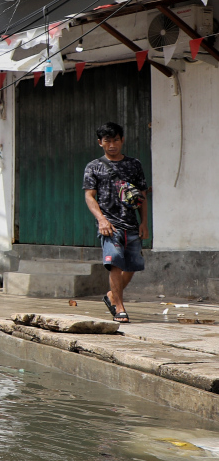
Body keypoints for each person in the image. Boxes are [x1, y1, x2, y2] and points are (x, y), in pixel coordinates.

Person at [83, 121, 149, 323]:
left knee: (132, 266)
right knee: (115, 264)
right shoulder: (93, 167)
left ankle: (111, 295)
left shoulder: (134, 164)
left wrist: (144, 222)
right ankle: (119, 307)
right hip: (109, 225)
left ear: (122, 140)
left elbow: (142, 195)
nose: (112, 145)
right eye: (107, 141)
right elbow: (89, 196)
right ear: (100, 143)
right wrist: (101, 220)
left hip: (131, 222)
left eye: (116, 140)